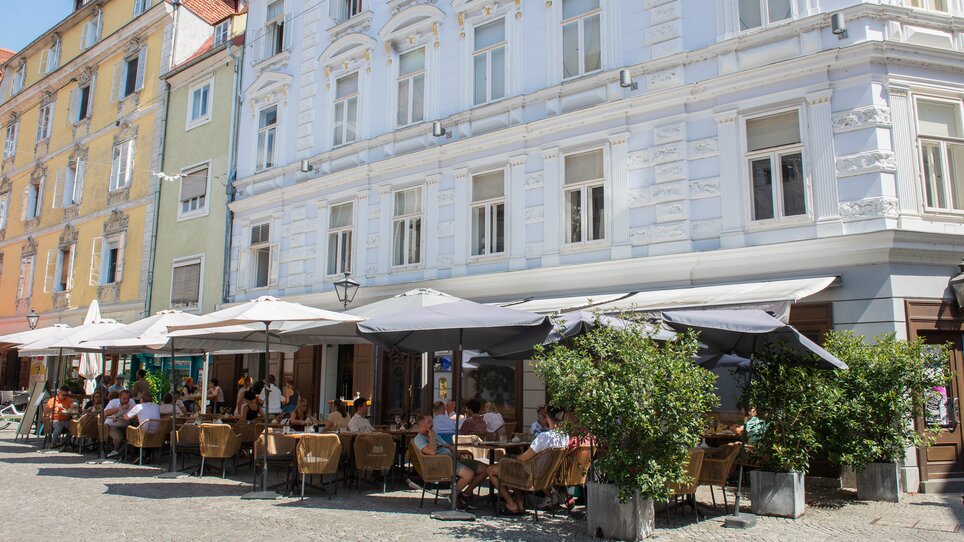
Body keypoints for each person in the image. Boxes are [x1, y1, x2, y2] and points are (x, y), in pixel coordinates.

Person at [488, 407, 568, 514]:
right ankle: (520, 504)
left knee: (491, 469)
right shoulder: (565, 436)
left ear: (547, 418)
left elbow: (523, 458)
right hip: (548, 473)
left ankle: (511, 504)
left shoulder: (544, 437)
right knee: (513, 466)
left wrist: (513, 459)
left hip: (532, 474)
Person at [413, 414, 488, 510]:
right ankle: (453, 495)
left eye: (432, 421)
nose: (432, 424)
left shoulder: (433, 433)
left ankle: (465, 494)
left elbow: (447, 445)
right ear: (421, 425)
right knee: (468, 474)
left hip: (453, 459)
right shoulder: (419, 439)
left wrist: (455, 452)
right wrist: (431, 436)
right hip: (443, 464)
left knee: (486, 469)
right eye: (429, 422)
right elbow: (431, 451)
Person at [103, 390, 134, 457]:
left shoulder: (132, 402)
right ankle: (116, 451)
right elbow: (105, 413)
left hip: (126, 426)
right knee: (119, 438)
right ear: (119, 397)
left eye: (128, 398)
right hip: (111, 425)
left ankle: (119, 452)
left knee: (134, 437)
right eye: (124, 399)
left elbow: (135, 414)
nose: (126, 400)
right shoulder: (113, 402)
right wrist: (120, 408)